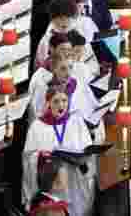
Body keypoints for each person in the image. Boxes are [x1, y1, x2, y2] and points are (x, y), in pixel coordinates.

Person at [22, 85, 97, 215]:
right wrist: (42, 157)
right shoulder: (37, 127)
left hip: (74, 180)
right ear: (48, 104)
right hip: (52, 182)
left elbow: (87, 149)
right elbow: (28, 157)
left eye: (64, 100)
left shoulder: (77, 122)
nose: (61, 105)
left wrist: (83, 158)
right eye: (56, 101)